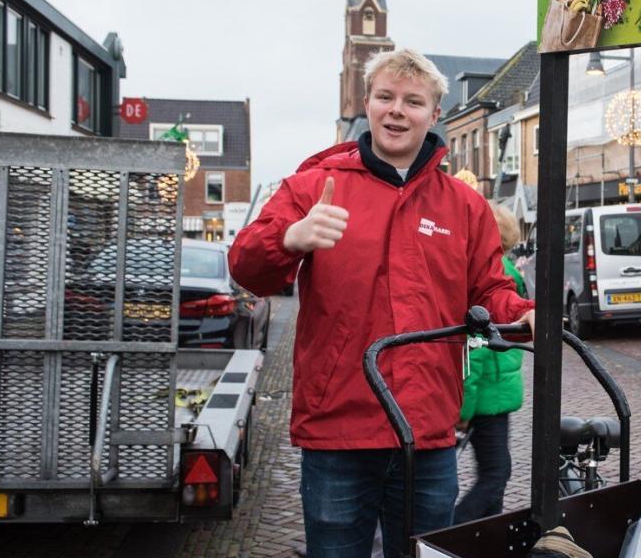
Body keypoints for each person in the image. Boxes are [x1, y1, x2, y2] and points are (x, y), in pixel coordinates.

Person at [228, 48, 535, 557]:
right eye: (385, 97)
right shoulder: (313, 188)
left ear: (434, 114)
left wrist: (522, 314)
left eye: (413, 101)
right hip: (339, 433)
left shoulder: (464, 206)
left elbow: (489, 291)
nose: (397, 110)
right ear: (367, 105)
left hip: (429, 433)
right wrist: (289, 239)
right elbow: (246, 269)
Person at [454, 203, 527, 524]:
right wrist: (464, 409)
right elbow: (479, 347)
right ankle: (446, 533)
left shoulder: (496, 271)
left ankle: (489, 537)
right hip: (489, 395)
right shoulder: (503, 273)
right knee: (496, 474)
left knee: (495, 476)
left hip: (492, 394)